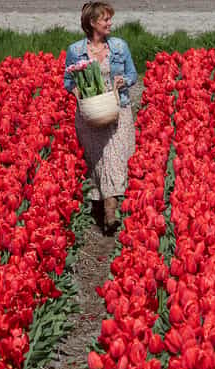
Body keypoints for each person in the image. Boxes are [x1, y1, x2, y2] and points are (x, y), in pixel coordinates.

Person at [64, 1, 137, 235]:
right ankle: (104, 206)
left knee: (115, 157)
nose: (110, 23)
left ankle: (110, 210)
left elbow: (133, 74)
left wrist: (122, 81)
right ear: (93, 23)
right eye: (105, 19)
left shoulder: (119, 46)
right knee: (98, 160)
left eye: (109, 19)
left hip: (118, 109)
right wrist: (75, 90)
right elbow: (67, 81)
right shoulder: (75, 51)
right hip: (91, 113)